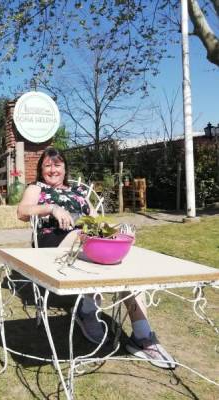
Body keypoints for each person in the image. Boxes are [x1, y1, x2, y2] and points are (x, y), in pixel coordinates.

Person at [17, 147, 175, 369]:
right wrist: (51, 208)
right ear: (41, 169)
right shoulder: (37, 188)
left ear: (65, 168)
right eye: (48, 165)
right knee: (88, 242)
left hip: (84, 239)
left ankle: (142, 334)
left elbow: (98, 221)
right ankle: (88, 310)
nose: (53, 169)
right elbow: (22, 211)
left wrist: (117, 232)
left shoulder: (78, 192)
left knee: (121, 260)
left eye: (58, 165)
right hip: (52, 241)